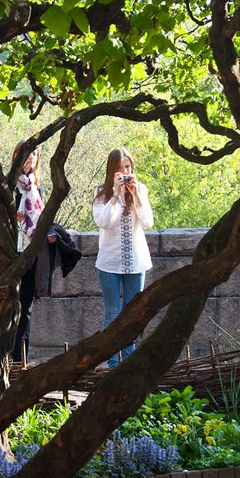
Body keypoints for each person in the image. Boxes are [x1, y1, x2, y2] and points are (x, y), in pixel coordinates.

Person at [90, 147, 153, 367]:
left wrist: (135, 195)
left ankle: (128, 362)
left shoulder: (141, 190)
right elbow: (105, 222)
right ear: (111, 171)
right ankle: (112, 364)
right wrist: (116, 195)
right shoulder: (101, 192)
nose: (124, 171)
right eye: (119, 168)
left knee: (132, 312)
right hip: (109, 262)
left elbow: (148, 222)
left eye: (127, 167)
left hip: (135, 262)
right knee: (113, 312)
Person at [11, 149, 52, 364]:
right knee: (9, 305)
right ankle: (5, 357)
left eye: (35, 153)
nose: (30, 156)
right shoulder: (9, 186)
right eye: (26, 152)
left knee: (26, 307)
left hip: (30, 252)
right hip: (10, 252)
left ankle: (20, 360)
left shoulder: (36, 188)